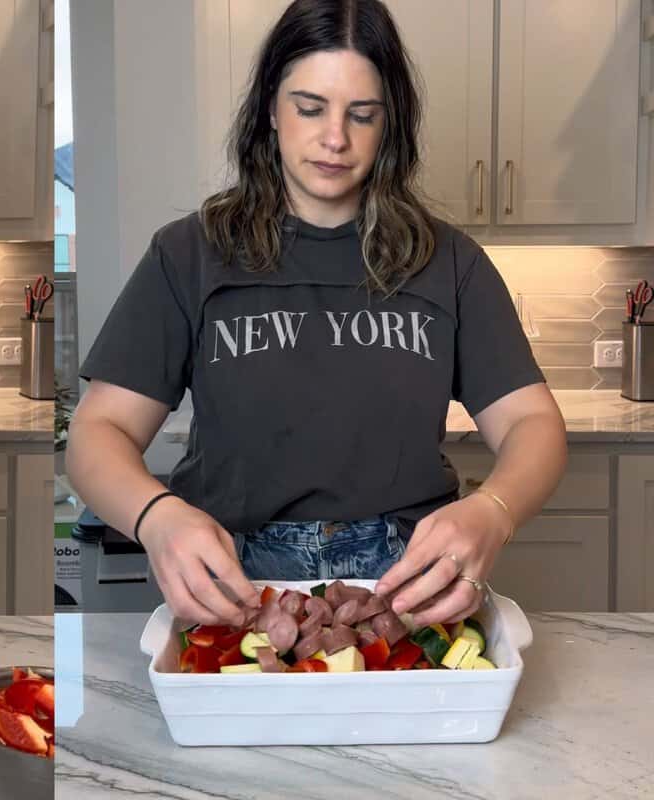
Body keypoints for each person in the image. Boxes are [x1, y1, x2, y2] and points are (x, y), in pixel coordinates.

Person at [67, 0, 567, 630]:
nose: (336, 138)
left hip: (404, 581)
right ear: (270, 110)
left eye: (363, 115)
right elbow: (97, 433)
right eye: (310, 108)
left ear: (390, 126)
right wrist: (157, 516)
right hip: (233, 576)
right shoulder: (187, 255)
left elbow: (533, 423)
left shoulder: (451, 263)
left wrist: (494, 508)